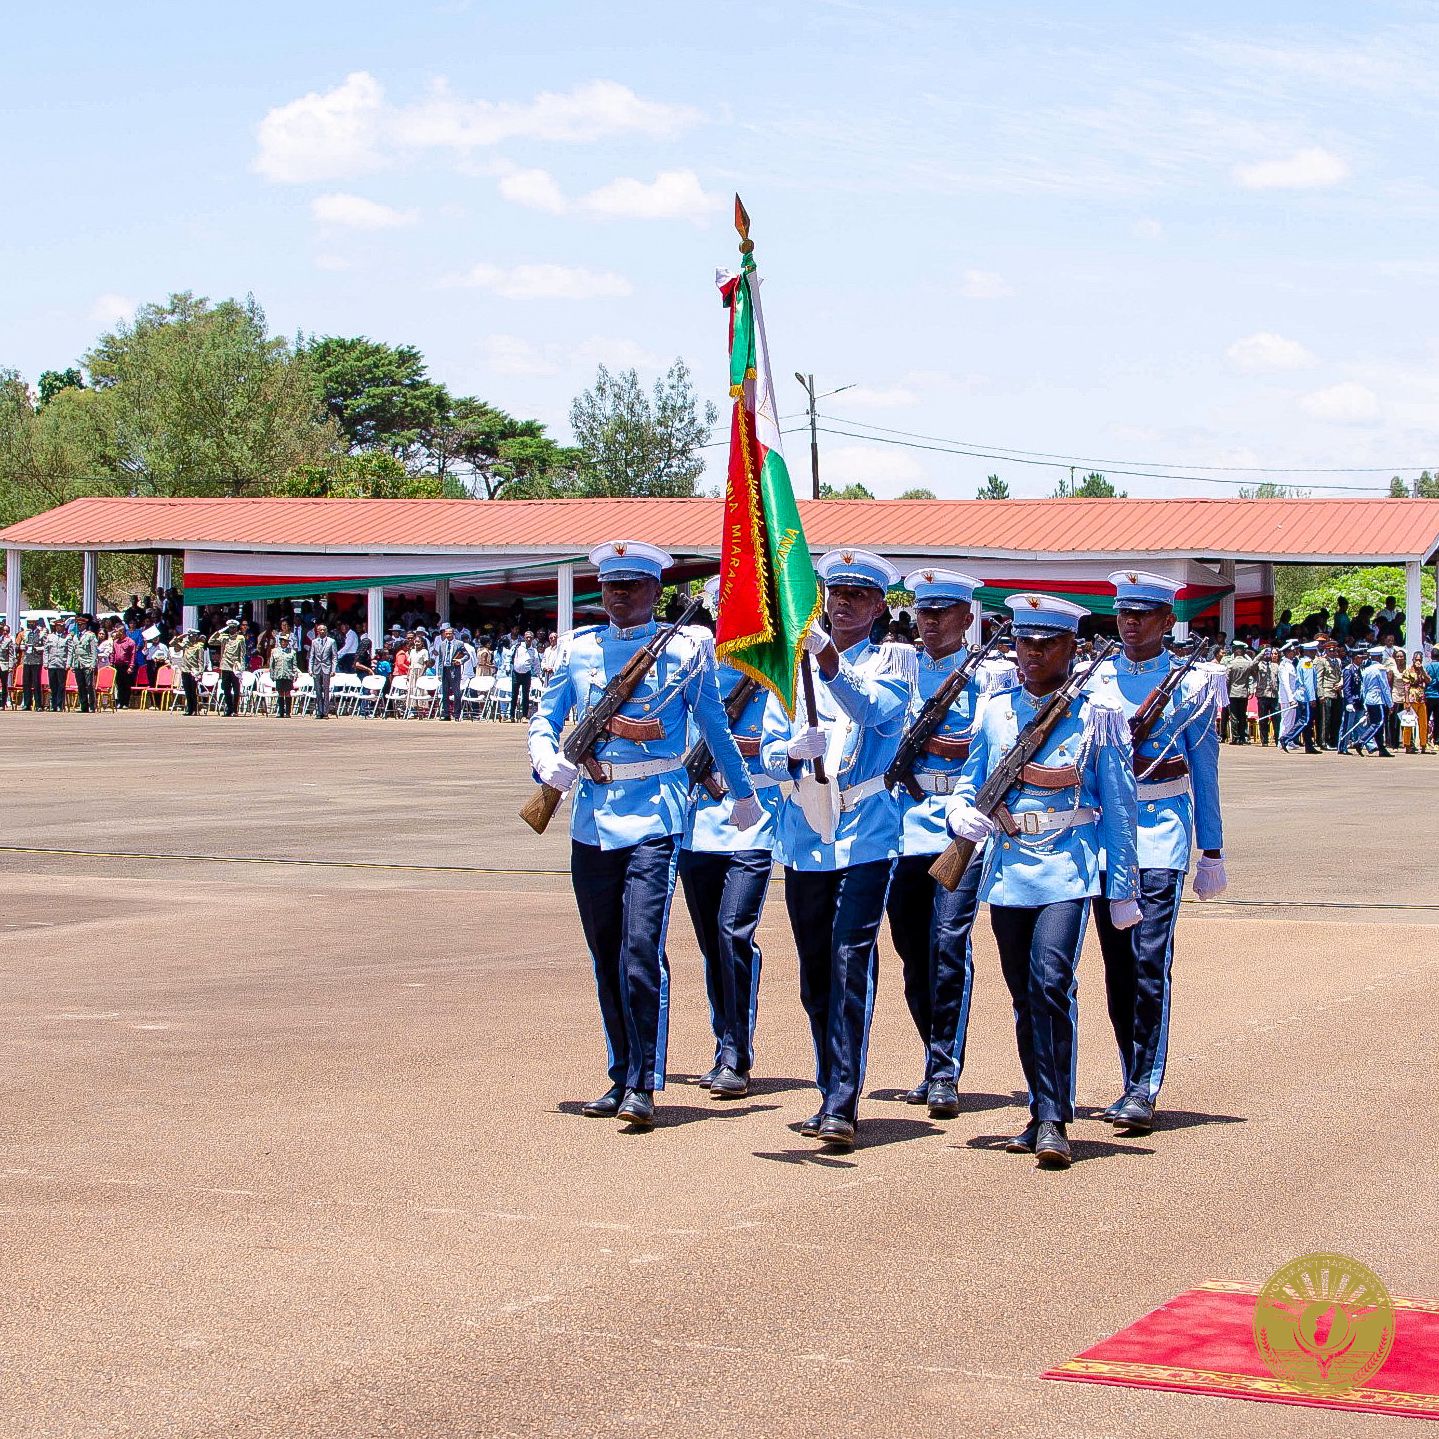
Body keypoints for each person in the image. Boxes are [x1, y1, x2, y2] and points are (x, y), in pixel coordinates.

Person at [527, 540, 759, 1131]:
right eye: (612, 586)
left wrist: (743, 794)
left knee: (639, 952)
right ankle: (619, 1069)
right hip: (592, 819)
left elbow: (714, 726)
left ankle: (643, 1083)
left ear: (657, 592)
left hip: (656, 817)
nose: (621, 596)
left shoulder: (685, 651)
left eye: (633, 585)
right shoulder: (580, 651)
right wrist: (544, 759)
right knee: (606, 951)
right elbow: (546, 719)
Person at [947, 593, 1139, 1169]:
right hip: (1007, 868)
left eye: (1047, 643)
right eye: (1024, 642)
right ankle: (1039, 1105)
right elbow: (969, 780)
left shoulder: (1096, 714)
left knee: (1050, 979)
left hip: (1068, 865)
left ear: (1071, 648)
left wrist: (1122, 885)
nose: (1032, 654)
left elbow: (1120, 806)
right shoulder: (995, 710)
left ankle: (1056, 1116)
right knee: (1022, 993)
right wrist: (960, 814)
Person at [762, 548, 910, 1150]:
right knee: (815, 970)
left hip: (867, 830)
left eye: (858, 595)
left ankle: (842, 1098)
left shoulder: (894, 663)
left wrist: (829, 665)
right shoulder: (790, 666)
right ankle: (829, 1081)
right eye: (835, 592)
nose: (843, 603)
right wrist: (788, 753)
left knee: (851, 960)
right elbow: (767, 751)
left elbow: (878, 712)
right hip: (805, 832)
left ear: (878, 606)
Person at [1089, 572, 1227, 1135]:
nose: (1131, 623)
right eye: (1124, 613)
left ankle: (1145, 1083)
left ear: (1168, 621)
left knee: (1149, 959)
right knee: (1118, 964)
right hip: (1104, 835)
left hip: (1160, 828)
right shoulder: (1093, 681)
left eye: (1143, 614)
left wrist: (1210, 849)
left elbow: (1205, 772)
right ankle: (1130, 1071)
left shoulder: (1190, 687)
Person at [885, 568, 993, 1120]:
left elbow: (989, 749)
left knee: (948, 943)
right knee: (909, 947)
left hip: (959, 824)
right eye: (924, 612)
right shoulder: (898, 672)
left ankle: (945, 1068)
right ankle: (932, 1050)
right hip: (904, 822)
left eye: (943, 612)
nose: (931, 623)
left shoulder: (988, 678)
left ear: (967, 618)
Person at [679, 577, 783, 1100]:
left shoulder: (772, 671)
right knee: (709, 941)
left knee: (732, 932)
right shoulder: (695, 668)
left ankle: (735, 1052)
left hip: (754, 820)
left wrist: (729, 747)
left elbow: (775, 743)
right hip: (697, 823)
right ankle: (723, 1037)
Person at [1355, 645, 1395, 756]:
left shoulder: (1366, 670)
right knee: (1378, 723)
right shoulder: (1380, 669)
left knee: (1377, 725)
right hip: (1378, 699)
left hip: (1369, 699)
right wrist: (1390, 703)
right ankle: (1361, 741)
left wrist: (1364, 702)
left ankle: (1381, 748)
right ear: (1378, 657)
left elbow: (1363, 687)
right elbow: (1385, 686)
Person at [209, 620, 245, 716]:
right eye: (230, 628)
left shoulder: (240, 638)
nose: (231, 629)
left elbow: (242, 653)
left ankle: (235, 710)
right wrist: (222, 630)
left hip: (235, 667)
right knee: (226, 689)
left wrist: (242, 667)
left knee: (236, 689)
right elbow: (211, 641)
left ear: (236, 628)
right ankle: (229, 709)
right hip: (225, 666)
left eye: (233, 627)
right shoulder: (224, 638)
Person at [1223, 642, 1256, 744]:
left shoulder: (1231, 664)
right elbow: (1251, 677)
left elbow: (1227, 680)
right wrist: (1250, 689)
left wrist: (1225, 691)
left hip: (1232, 692)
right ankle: (1243, 736)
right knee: (1242, 715)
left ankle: (1236, 737)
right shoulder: (1248, 663)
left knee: (1234, 716)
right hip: (1243, 692)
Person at [433, 624, 464, 721]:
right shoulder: (442, 644)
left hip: (454, 669)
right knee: (445, 693)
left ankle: (457, 714)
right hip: (445, 670)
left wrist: (460, 661)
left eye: (450, 634)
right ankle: (446, 713)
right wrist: (439, 672)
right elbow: (440, 659)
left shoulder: (459, 643)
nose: (448, 635)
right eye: (446, 634)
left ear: (453, 634)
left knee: (456, 692)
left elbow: (466, 655)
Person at [43, 620, 73, 711]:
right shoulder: (50, 637)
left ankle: (60, 704)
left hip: (62, 664)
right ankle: (53, 704)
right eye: (59, 626)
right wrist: (45, 662)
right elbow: (46, 650)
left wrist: (68, 663)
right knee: (52, 685)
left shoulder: (67, 637)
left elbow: (70, 652)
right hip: (52, 663)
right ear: (56, 627)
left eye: (62, 626)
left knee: (61, 685)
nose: (61, 628)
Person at [309, 623, 337, 718]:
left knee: (326, 690)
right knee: (318, 691)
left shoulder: (331, 641)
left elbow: (334, 657)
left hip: (327, 668)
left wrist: (333, 669)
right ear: (317, 631)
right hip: (316, 668)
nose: (322, 631)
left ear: (326, 631)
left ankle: (325, 712)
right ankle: (319, 711)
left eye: (324, 630)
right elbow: (311, 656)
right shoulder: (314, 642)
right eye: (320, 630)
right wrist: (310, 669)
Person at [1254, 645, 1280, 746]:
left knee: (1276, 719)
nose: (1268, 655)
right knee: (1263, 718)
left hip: (1274, 695)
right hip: (1263, 695)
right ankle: (1264, 740)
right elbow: (1251, 665)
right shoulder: (1259, 664)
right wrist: (1261, 654)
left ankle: (1278, 739)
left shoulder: (1276, 665)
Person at [176, 630, 206, 716]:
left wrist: (200, 672)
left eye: (192, 636)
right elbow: (172, 644)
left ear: (195, 637)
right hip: (185, 670)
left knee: (193, 691)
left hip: (194, 671)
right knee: (187, 691)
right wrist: (181, 636)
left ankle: (194, 709)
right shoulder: (185, 645)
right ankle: (189, 709)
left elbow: (201, 661)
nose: (190, 638)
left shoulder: (199, 646)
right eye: (189, 636)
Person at [270, 632, 299, 717]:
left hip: (288, 674)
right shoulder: (274, 651)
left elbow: (294, 664)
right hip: (279, 674)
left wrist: (295, 674)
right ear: (280, 642)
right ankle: (280, 712)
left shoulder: (292, 652)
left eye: (285, 641)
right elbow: (272, 664)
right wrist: (272, 674)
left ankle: (288, 712)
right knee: (280, 692)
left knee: (287, 693)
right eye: (282, 641)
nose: (284, 643)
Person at [73, 617, 99, 712]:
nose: (79, 627)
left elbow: (93, 651)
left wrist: (93, 663)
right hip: (78, 663)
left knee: (89, 685)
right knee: (80, 685)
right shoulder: (75, 636)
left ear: (85, 625)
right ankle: (84, 705)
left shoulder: (90, 635)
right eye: (78, 625)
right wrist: (73, 664)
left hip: (87, 663)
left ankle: (92, 705)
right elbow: (73, 651)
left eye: (80, 625)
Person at [21, 619, 46, 710]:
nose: (30, 625)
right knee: (26, 682)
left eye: (31, 624)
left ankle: (38, 704)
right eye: (29, 624)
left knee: (36, 682)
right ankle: (27, 704)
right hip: (27, 660)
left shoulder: (41, 633)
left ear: (35, 624)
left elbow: (45, 646)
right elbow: (22, 644)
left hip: (36, 660)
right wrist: (23, 647)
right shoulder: (26, 633)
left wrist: (37, 648)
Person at [510, 630, 535, 721]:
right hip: (516, 673)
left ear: (532, 639)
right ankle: (511, 716)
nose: (528, 639)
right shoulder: (517, 646)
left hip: (527, 674)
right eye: (527, 637)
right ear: (524, 637)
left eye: (530, 637)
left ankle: (524, 716)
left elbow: (536, 664)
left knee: (525, 695)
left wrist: (539, 675)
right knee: (514, 694)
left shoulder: (533, 651)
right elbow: (510, 656)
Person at [0, 621, 14, 708]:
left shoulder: (8, 641)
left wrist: (10, 666)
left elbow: (11, 655)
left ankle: (3, 703)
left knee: (4, 685)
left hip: (4, 665)